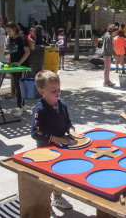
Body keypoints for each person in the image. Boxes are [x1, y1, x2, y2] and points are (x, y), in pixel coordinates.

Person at [30, 70, 84, 217]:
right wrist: (53, 138)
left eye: (59, 89)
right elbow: (35, 132)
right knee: (47, 180)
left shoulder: (62, 104)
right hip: (47, 150)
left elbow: (67, 123)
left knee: (59, 176)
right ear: (42, 91)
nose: (58, 92)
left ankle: (57, 198)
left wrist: (71, 131)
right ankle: (45, 204)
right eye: (53, 90)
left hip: (61, 148)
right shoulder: (40, 109)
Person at [5, 21, 31, 117]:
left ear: (14, 29)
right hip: (14, 66)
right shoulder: (12, 39)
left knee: (20, 87)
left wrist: (19, 63)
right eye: (7, 31)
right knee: (17, 85)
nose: (8, 33)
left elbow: (27, 52)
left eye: (9, 31)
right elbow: (11, 53)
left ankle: (19, 107)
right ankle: (22, 105)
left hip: (22, 66)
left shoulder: (21, 38)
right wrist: (10, 65)